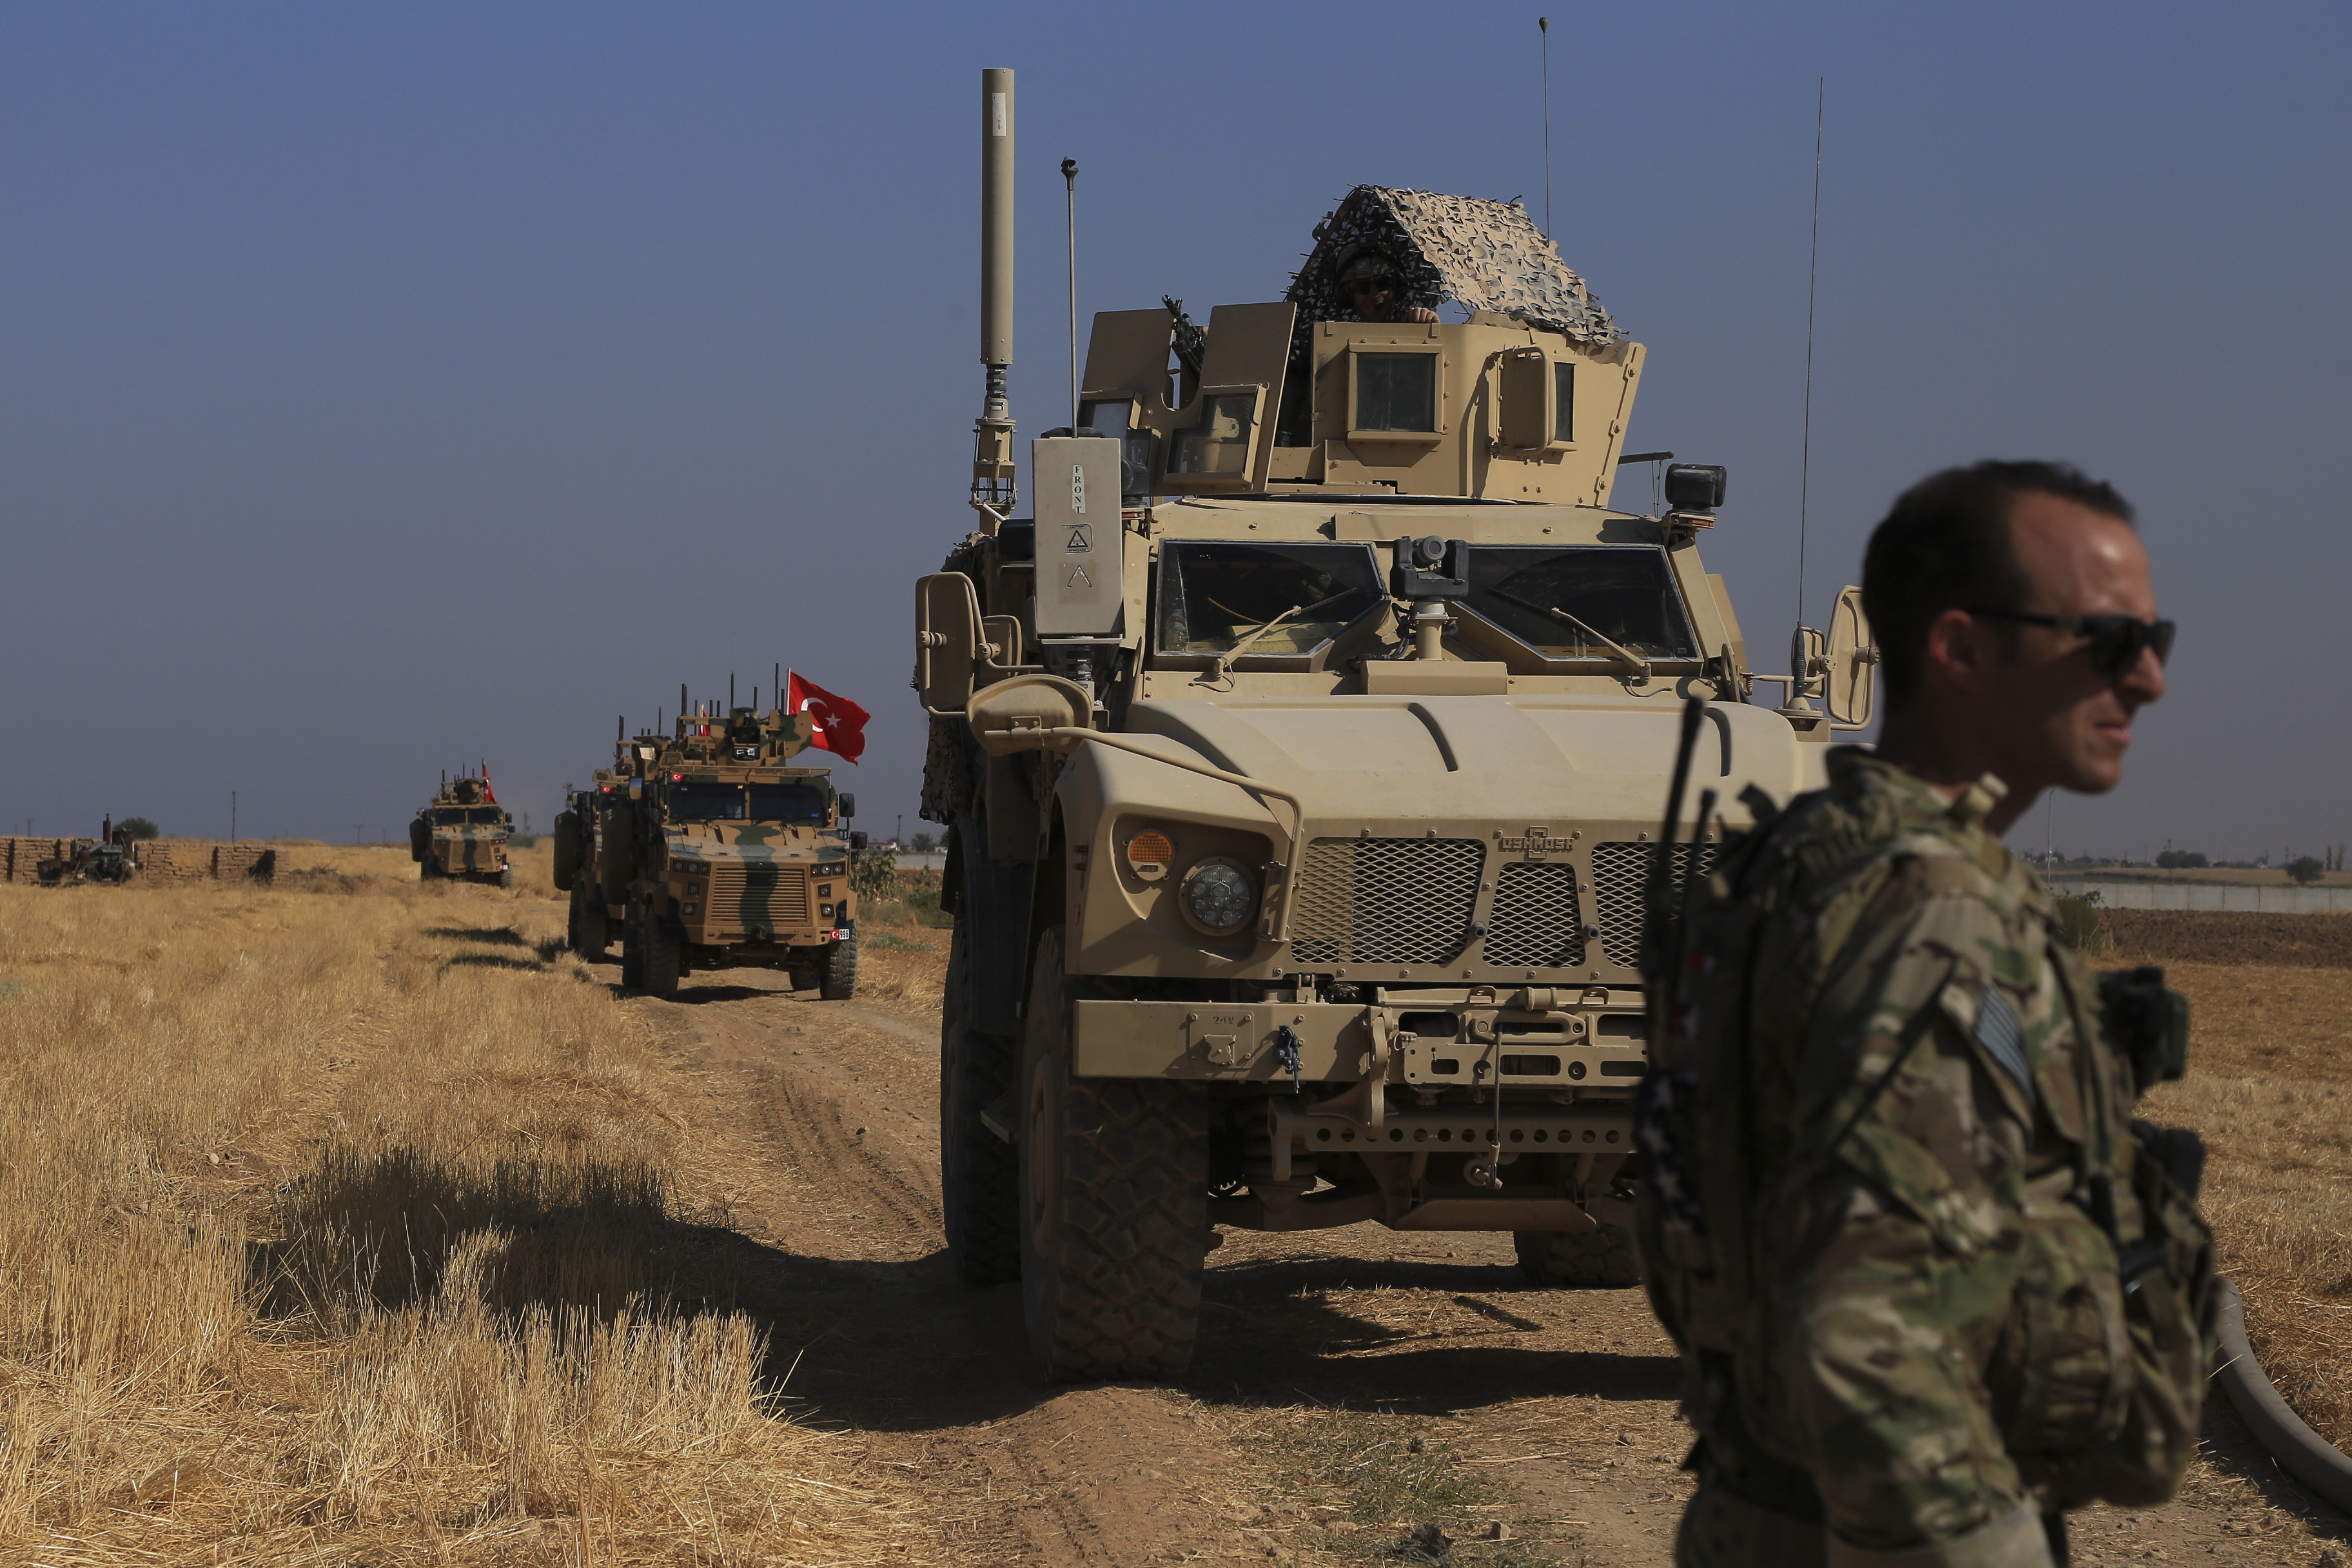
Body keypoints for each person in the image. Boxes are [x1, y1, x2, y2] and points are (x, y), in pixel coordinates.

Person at [1640, 460, 2217, 1567]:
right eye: (2104, 641)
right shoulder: (1935, 915)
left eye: (2155, 640)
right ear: (1954, 648)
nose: (2145, 679)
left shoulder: (1803, 866)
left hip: (1765, 1507)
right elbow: (1868, 1338)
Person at [1335, 248, 1438, 324]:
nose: (1374, 296)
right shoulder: (1337, 342)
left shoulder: (1416, 327)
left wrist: (1434, 332)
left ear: (1396, 287)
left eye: (1382, 284)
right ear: (1348, 294)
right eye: (1362, 288)